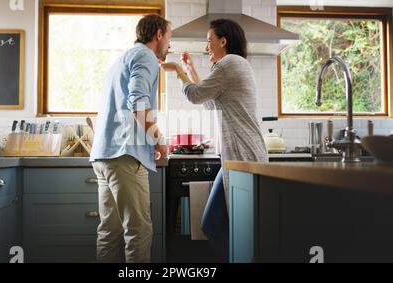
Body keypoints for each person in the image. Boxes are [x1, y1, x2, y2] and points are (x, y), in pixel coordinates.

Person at [162, 18, 268, 262]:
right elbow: (210, 104)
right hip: (234, 158)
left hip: (244, 158)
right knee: (212, 223)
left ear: (223, 41)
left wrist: (178, 71)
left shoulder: (229, 63)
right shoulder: (234, 65)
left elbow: (196, 96)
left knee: (241, 229)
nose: (207, 46)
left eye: (209, 41)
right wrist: (190, 71)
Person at [90, 14, 171, 263]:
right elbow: (137, 102)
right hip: (125, 156)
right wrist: (158, 140)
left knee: (109, 232)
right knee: (138, 232)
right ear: (158, 35)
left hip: (104, 156)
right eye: (169, 37)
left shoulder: (122, 59)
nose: (169, 44)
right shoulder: (146, 56)